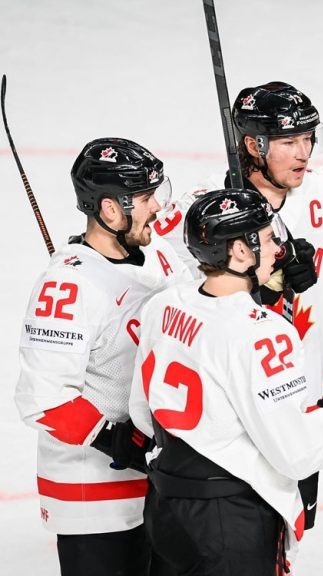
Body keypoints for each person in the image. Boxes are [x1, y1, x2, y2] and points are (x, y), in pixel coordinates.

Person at [127, 188, 323, 575]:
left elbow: (143, 413)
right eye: (267, 239)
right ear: (240, 252)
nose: (279, 248)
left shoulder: (164, 304)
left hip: (165, 503)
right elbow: (297, 452)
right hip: (228, 521)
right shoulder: (264, 334)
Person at [154, 80, 323, 532]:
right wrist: (264, 278)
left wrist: (298, 265)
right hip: (223, 425)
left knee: (286, 540)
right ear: (253, 144)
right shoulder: (206, 206)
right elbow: (169, 290)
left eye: (308, 137)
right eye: (289, 141)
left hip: (294, 404)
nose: (304, 152)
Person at [15, 138, 192, 576]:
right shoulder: (68, 286)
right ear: (110, 209)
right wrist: (111, 437)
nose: (158, 207)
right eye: (148, 198)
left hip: (156, 481)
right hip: (91, 493)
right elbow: (43, 396)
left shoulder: (161, 257)